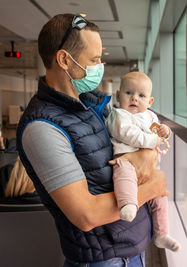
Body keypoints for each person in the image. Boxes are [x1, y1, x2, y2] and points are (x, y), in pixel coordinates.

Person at [16, 14, 167, 267]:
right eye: (95, 59)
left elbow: (139, 149)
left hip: (131, 249)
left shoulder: (91, 105)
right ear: (65, 59)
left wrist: (147, 156)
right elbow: (86, 215)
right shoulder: (42, 127)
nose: (101, 66)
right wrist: (152, 187)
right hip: (103, 260)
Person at [105, 72, 180, 252]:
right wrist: (153, 141)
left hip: (149, 167)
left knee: (160, 197)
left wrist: (165, 132)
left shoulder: (150, 116)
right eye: (129, 93)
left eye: (141, 95)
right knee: (123, 178)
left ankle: (162, 234)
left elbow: (158, 133)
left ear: (150, 101)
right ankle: (127, 204)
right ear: (118, 95)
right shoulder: (119, 115)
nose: (134, 99)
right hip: (125, 159)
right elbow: (127, 134)